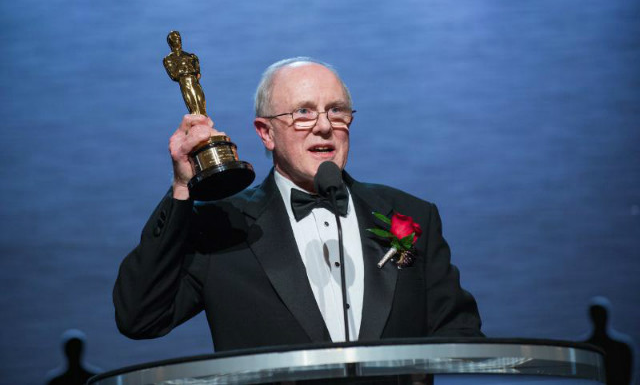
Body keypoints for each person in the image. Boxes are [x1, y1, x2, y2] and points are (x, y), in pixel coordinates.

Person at [113, 57, 483, 351]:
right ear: (266, 133)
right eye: (303, 112)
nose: (324, 126)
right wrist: (182, 186)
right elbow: (141, 317)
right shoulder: (222, 226)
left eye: (336, 110)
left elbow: (461, 337)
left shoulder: (412, 215)